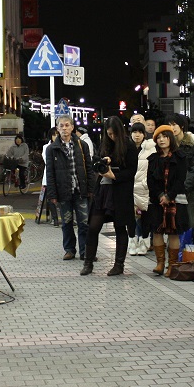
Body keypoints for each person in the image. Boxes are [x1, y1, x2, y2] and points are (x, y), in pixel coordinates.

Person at [81, 117, 139, 276]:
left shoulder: (129, 146)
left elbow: (131, 171)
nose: (112, 137)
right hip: (103, 191)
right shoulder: (105, 144)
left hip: (120, 192)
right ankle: (88, 263)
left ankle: (118, 265)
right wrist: (102, 162)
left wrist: (115, 175)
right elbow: (96, 163)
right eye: (109, 134)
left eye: (114, 134)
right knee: (93, 227)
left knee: (120, 227)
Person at [45, 114, 95, 261]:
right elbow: (50, 173)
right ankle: (69, 249)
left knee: (84, 223)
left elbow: (89, 168)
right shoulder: (52, 149)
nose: (64, 128)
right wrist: (52, 195)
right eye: (61, 126)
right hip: (63, 192)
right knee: (66, 222)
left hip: (80, 190)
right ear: (57, 128)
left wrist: (91, 189)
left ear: (72, 127)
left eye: (67, 125)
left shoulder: (81, 145)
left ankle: (85, 251)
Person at [147, 125, 190, 276]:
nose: (161, 140)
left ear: (170, 138)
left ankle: (172, 264)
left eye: (164, 136)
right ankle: (160, 263)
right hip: (157, 200)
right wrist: (160, 196)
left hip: (176, 199)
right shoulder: (153, 159)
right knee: (157, 231)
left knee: (174, 232)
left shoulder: (180, 157)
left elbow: (181, 179)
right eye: (158, 138)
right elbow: (150, 181)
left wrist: (169, 196)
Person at [167, 114, 194, 246]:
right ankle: (175, 257)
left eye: (174, 125)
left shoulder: (193, 146)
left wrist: (183, 185)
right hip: (172, 192)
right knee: (173, 225)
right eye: (170, 125)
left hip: (190, 191)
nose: (172, 128)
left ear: (181, 126)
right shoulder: (167, 146)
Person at [129, 122, 155, 256]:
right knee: (131, 217)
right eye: (134, 132)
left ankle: (144, 244)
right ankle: (132, 243)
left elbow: (152, 169)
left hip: (144, 189)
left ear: (144, 134)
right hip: (129, 188)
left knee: (145, 217)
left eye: (139, 132)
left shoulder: (150, 148)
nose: (137, 135)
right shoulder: (127, 148)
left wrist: (145, 184)